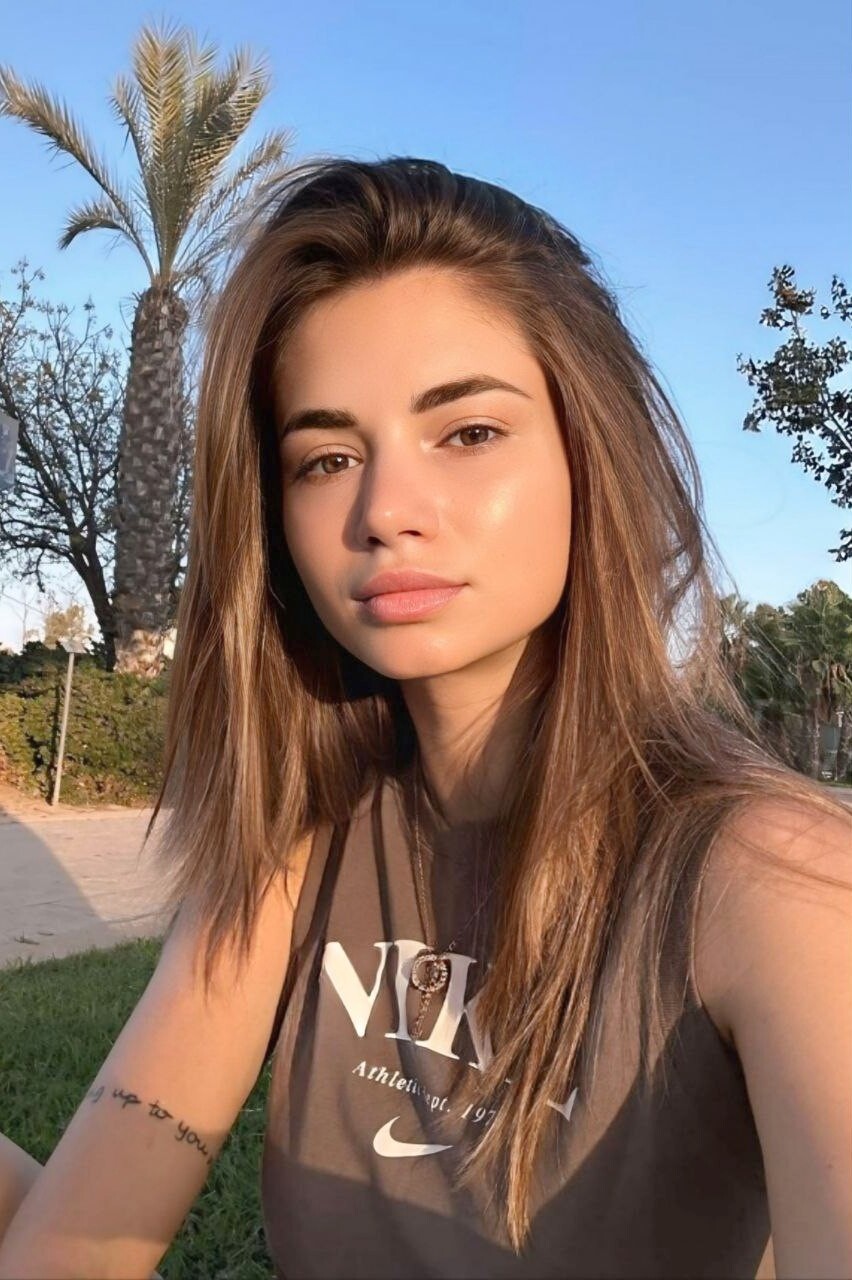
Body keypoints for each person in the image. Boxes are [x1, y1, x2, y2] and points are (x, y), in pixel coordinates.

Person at [0, 155, 849, 1280]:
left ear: (591, 452)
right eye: (326, 457)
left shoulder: (777, 885)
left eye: (469, 432)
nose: (386, 511)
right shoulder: (300, 842)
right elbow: (68, 1249)